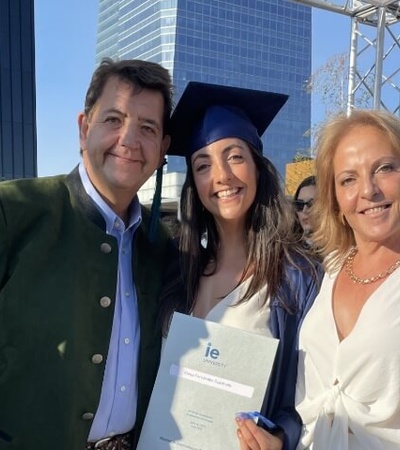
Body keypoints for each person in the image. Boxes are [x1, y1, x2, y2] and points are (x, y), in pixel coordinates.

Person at [0, 58, 177, 449]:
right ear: (84, 129)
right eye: (114, 120)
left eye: (148, 128)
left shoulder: (162, 246)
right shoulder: (15, 211)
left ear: (163, 147)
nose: (129, 140)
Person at [159, 81, 322, 450]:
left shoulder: (298, 276)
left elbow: (314, 392)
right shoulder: (178, 268)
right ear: (194, 185)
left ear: (257, 167)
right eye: (203, 165)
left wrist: (281, 437)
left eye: (234, 156)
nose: (221, 176)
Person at [295, 109, 400, 449]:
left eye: (384, 168)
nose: (368, 190)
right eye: (348, 179)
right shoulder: (329, 269)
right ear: (336, 200)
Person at [292, 175, 317, 250]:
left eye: (311, 204)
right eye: (299, 204)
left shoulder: (346, 254)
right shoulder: (289, 254)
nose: (304, 210)